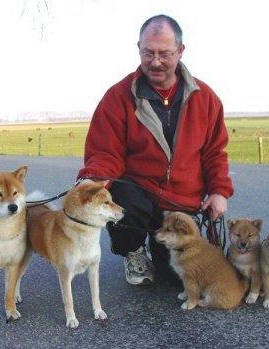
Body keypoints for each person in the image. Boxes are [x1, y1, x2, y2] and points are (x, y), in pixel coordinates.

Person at [77, 14, 234, 286]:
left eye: (165, 53)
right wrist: (93, 180)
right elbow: (105, 151)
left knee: (174, 279)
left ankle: (159, 252)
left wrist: (219, 191)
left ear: (181, 51)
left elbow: (214, 152)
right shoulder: (118, 97)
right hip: (139, 193)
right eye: (148, 53)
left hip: (181, 202)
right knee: (117, 193)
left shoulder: (206, 98)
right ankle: (134, 250)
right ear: (138, 47)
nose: (156, 61)